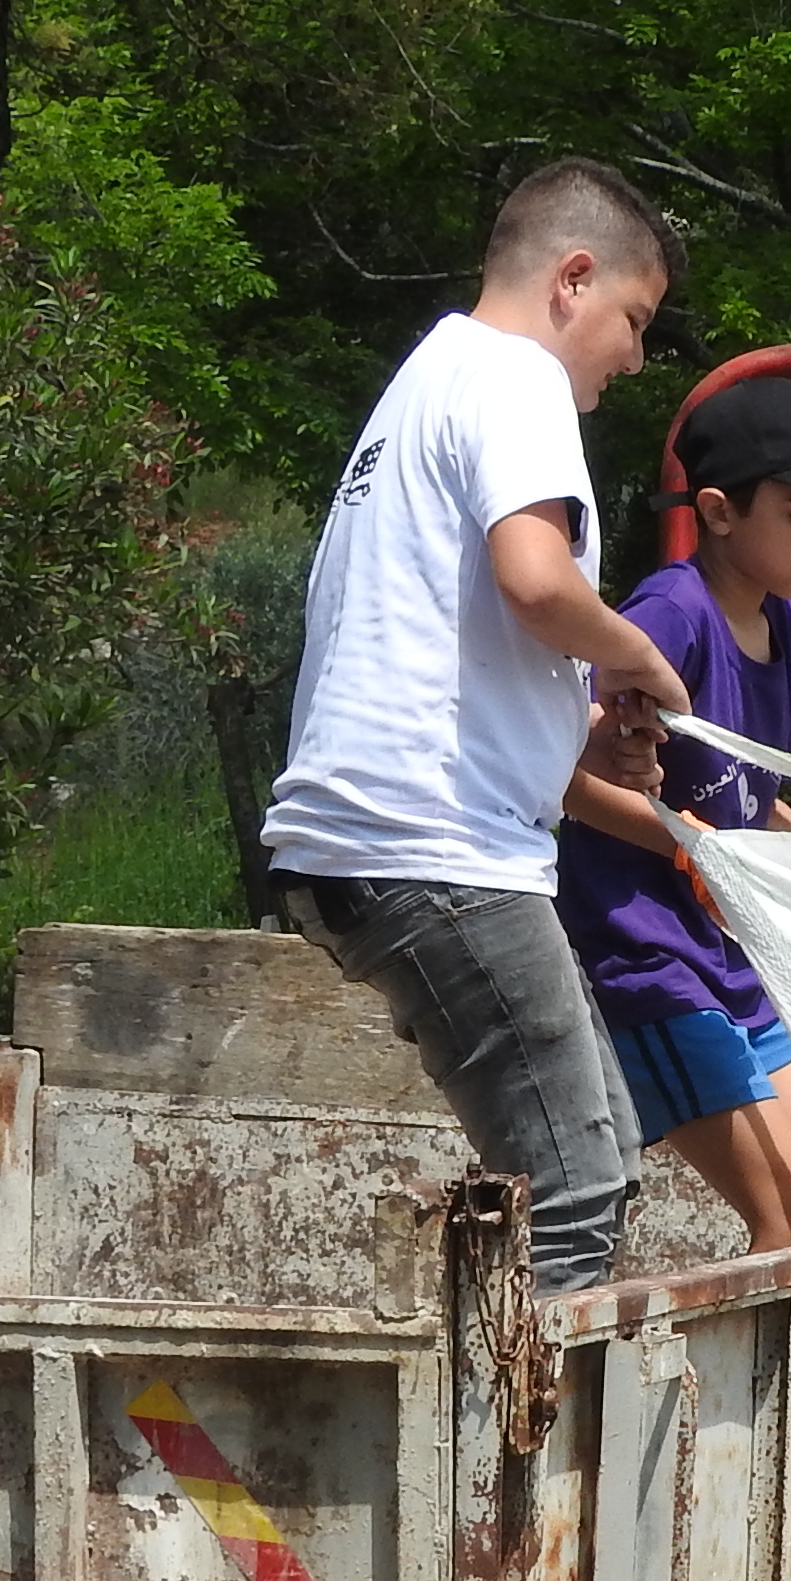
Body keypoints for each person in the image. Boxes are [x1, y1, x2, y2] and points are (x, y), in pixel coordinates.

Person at [261, 162, 690, 1293]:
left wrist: (578, 726)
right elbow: (537, 581)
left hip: (397, 841)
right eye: (634, 322)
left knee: (601, 1155)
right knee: (574, 1197)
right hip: (432, 848)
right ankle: (487, 1467)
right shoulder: (515, 377)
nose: (634, 359)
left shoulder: (427, 379)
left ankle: (479, 1434)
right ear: (573, 280)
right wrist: (640, 657)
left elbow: (454, 637)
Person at [552, 383, 791, 1252]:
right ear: (718, 512)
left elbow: (746, 795)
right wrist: (684, 846)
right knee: (790, 1221)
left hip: (734, 958)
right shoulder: (670, 616)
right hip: (647, 959)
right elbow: (559, 769)